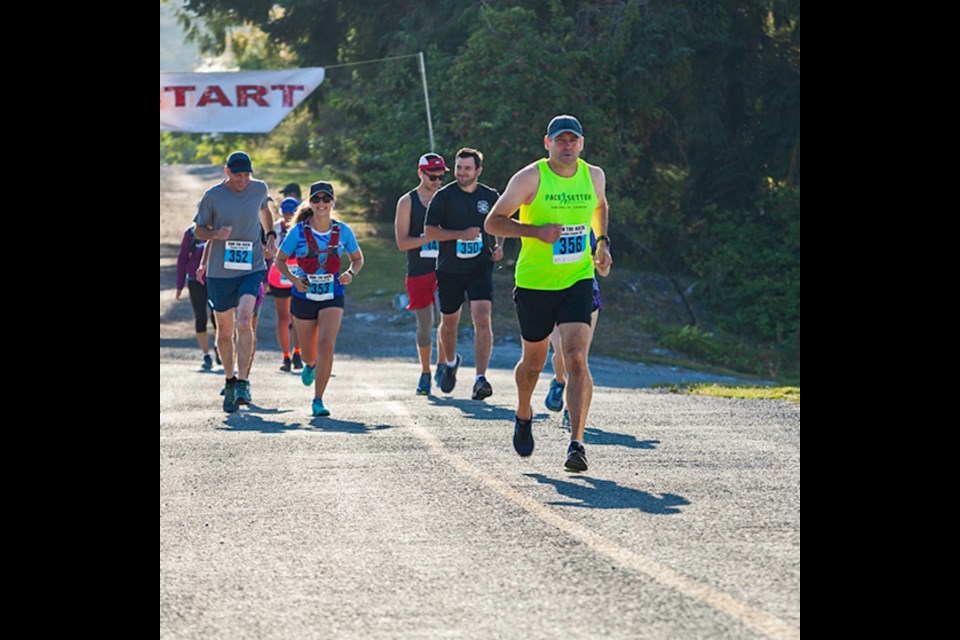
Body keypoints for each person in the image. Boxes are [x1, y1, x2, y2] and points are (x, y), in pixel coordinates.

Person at [484, 115, 612, 471]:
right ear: (547, 143)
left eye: (573, 141)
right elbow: (493, 222)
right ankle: (524, 412)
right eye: (560, 141)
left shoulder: (594, 176)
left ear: (582, 144)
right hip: (535, 283)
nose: (567, 147)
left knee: (575, 358)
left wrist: (601, 241)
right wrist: (534, 231)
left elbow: (600, 206)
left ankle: (577, 443)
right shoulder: (530, 178)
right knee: (535, 362)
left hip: (578, 278)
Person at [193, 151, 278, 413]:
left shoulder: (259, 188)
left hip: (251, 268)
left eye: (246, 175)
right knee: (226, 330)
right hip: (221, 272)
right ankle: (229, 380)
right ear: (227, 171)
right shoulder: (213, 196)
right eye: (238, 175)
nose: (243, 180)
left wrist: (271, 234)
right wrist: (216, 234)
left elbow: (265, 211)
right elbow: (198, 230)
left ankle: (243, 381)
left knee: (244, 319)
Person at [275, 181, 364, 417]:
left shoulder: (343, 231)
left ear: (333, 202)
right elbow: (279, 260)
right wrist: (294, 280)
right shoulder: (298, 232)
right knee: (308, 353)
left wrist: (350, 273)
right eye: (317, 200)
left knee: (327, 344)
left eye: (326, 199)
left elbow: (357, 259)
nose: (322, 204)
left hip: (332, 293)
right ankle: (310, 365)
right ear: (311, 203)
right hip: (304, 294)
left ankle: (318, 399)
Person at [424, 148, 504, 400]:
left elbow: (501, 221)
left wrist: (500, 245)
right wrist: (460, 234)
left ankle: (480, 378)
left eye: (467, 168)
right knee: (449, 323)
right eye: (458, 167)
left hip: (480, 266)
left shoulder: (490, 196)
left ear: (478, 171)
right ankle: (449, 362)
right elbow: (429, 232)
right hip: (449, 268)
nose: (461, 172)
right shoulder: (444, 196)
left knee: (482, 317)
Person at [544, 230, 611, 428]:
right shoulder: (548, 218)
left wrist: (598, 262)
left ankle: (573, 413)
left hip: (585, 295)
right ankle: (558, 381)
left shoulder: (592, 230)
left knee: (580, 358)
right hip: (551, 292)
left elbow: (605, 271)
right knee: (561, 353)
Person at [394, 153, 449, 395]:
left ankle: (441, 366)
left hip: (447, 269)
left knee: (446, 320)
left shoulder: (447, 198)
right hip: (418, 270)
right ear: (420, 173)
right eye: (433, 177)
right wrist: (428, 238)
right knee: (425, 325)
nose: (438, 181)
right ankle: (425, 371)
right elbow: (402, 242)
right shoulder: (407, 202)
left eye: (441, 177)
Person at [267, 197, 303, 371]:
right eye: (286, 212)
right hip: (279, 273)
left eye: (292, 212)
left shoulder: (302, 227)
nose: (289, 216)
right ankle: (285, 356)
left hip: (299, 273)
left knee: (298, 316)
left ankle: (297, 352)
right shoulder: (274, 228)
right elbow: (268, 252)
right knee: (283, 317)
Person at [175, 224, 217, 370]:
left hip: (215, 280)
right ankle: (206, 354)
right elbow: (182, 259)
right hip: (195, 281)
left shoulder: (218, 230)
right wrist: (179, 286)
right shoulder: (191, 233)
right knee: (200, 317)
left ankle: (220, 346)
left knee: (217, 315)